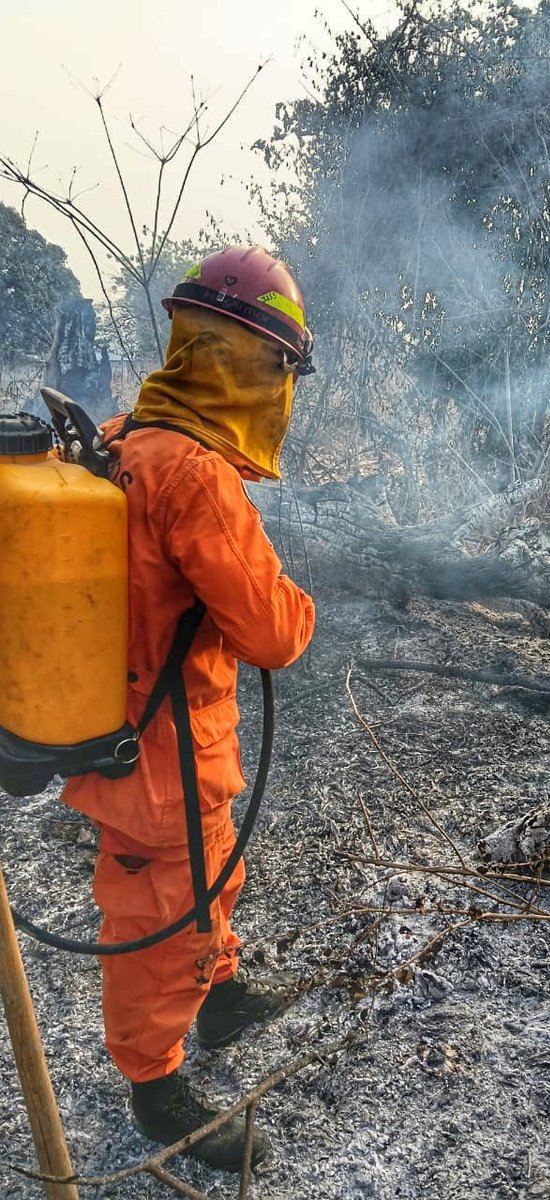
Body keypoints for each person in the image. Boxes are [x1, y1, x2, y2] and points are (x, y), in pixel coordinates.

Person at [61, 247, 316, 1171]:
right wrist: (300, 603)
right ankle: (154, 1084)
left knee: (209, 880)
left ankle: (220, 997)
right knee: (160, 915)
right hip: (158, 755)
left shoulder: (130, 435)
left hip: (160, 735)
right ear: (253, 364)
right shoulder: (193, 476)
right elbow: (274, 632)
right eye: (278, 368)